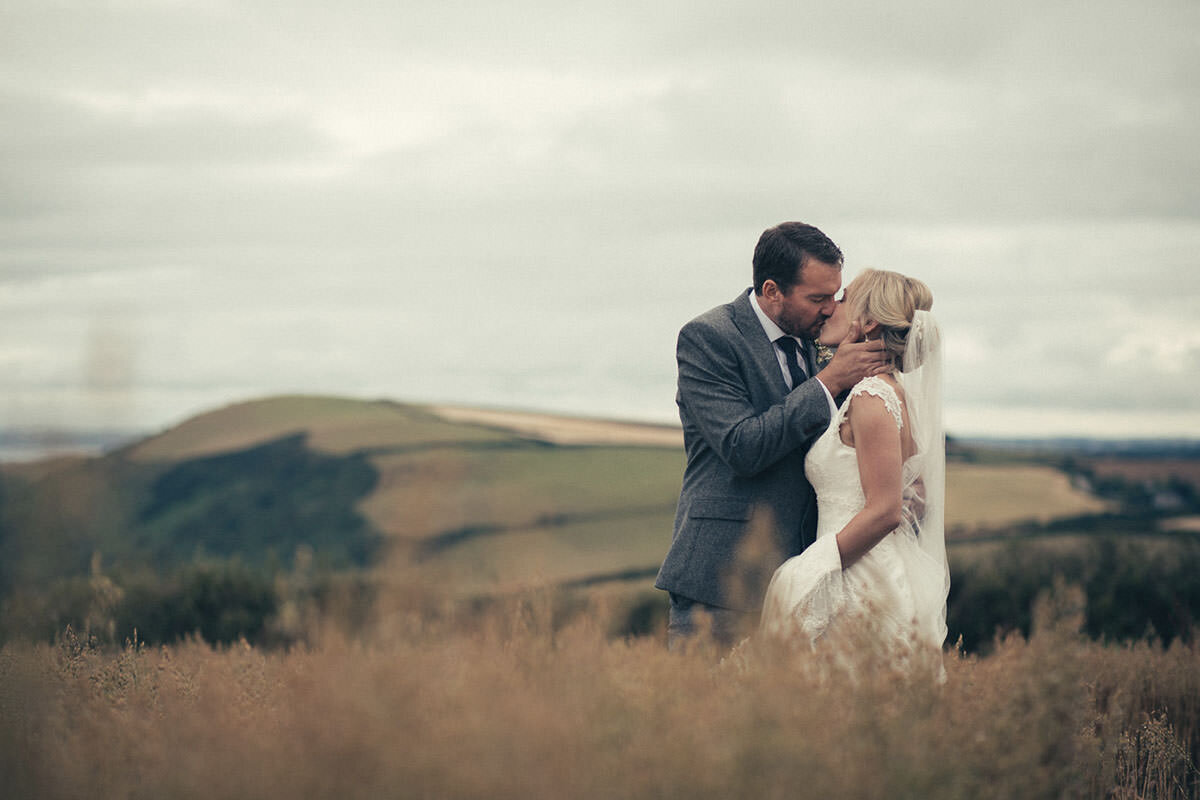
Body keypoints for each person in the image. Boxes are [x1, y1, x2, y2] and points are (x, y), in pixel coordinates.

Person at [655, 222, 890, 649]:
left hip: (805, 578)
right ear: (771, 290)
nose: (828, 310)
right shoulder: (709, 338)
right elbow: (742, 446)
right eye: (817, 298)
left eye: (834, 297)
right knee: (703, 713)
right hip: (722, 577)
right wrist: (828, 382)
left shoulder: (818, 340)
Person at [758, 269, 948, 670]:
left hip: (855, 575)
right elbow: (919, 495)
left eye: (843, 300)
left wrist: (812, 568)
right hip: (867, 563)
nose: (831, 308)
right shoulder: (891, 393)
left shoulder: (871, 396)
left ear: (870, 321)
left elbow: (886, 510)